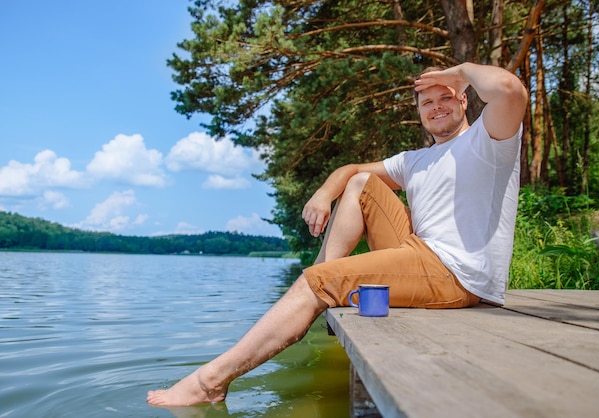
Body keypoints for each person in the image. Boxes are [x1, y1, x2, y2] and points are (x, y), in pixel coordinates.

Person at [146, 62, 528, 406]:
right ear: (418, 113)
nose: (435, 107)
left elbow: (510, 90)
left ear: (463, 99)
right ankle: (323, 282)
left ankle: (209, 381)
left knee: (319, 280)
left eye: (444, 96)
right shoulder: (416, 160)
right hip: (420, 257)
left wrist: (459, 69)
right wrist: (324, 193)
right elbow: (351, 170)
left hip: (456, 272)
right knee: (361, 181)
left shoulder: (487, 139)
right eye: (425, 102)